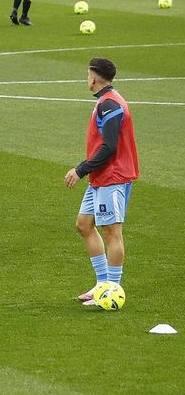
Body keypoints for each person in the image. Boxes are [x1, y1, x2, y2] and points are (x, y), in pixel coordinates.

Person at [64, 57, 139, 304]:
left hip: (113, 177)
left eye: (88, 75)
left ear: (93, 77)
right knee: (84, 224)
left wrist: (81, 169)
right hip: (101, 177)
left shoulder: (109, 104)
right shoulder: (106, 101)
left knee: (112, 232)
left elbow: (109, 146)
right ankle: (101, 284)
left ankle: (112, 289)